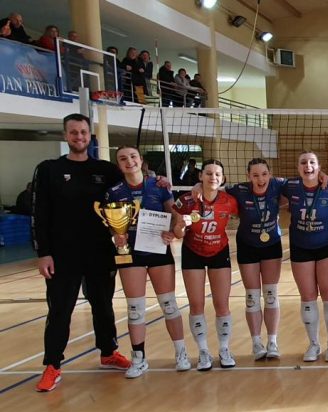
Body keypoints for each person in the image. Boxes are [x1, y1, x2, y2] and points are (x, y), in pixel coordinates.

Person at [31, 113, 131, 392]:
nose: (79, 137)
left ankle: (108, 352)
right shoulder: (48, 169)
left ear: (90, 135)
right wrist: (43, 252)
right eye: (74, 132)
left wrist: (159, 184)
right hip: (62, 254)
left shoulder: (106, 170)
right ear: (66, 135)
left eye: (83, 132)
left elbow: (132, 191)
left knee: (103, 305)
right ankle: (52, 365)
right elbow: (39, 213)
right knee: (60, 310)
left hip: (99, 251)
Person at [106, 146, 188, 377]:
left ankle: (181, 353)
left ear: (141, 160)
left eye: (133, 156)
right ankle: (139, 359)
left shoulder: (159, 186)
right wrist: (116, 235)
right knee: (135, 310)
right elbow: (112, 225)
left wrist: (172, 231)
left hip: (157, 250)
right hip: (130, 253)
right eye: (123, 158)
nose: (129, 161)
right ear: (119, 164)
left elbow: (174, 216)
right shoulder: (114, 191)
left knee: (169, 305)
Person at [281, 151, 328, 362]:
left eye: (312, 162)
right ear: (298, 167)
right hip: (301, 247)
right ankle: (314, 344)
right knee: (308, 296)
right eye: (303, 162)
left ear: (319, 167)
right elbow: (264, 186)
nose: (307, 166)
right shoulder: (289, 187)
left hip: (327, 246)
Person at [173, 160, 238, 371]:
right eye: (208, 173)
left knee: (222, 304)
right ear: (201, 176)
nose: (213, 177)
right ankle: (203, 351)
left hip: (219, 252)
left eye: (217, 174)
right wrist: (181, 226)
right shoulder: (185, 201)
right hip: (193, 252)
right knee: (196, 304)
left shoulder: (229, 201)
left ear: (223, 178)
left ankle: (224, 348)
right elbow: (177, 234)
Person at [225, 159, 286, 360]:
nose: (260, 179)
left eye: (264, 174)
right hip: (247, 246)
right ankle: (256, 342)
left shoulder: (278, 185)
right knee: (252, 296)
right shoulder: (239, 190)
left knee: (271, 294)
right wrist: (199, 186)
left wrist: (322, 176)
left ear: (270, 174)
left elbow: (305, 182)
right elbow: (214, 189)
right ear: (248, 176)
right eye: (255, 175)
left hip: (271, 245)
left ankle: (273, 341)